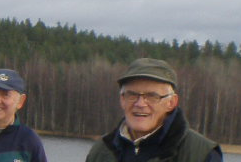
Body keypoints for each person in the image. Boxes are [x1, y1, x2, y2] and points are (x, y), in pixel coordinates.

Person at [86, 58, 222, 162]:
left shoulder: (201, 155)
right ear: (122, 99)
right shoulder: (102, 151)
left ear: (171, 103)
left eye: (152, 96)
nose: (140, 103)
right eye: (132, 94)